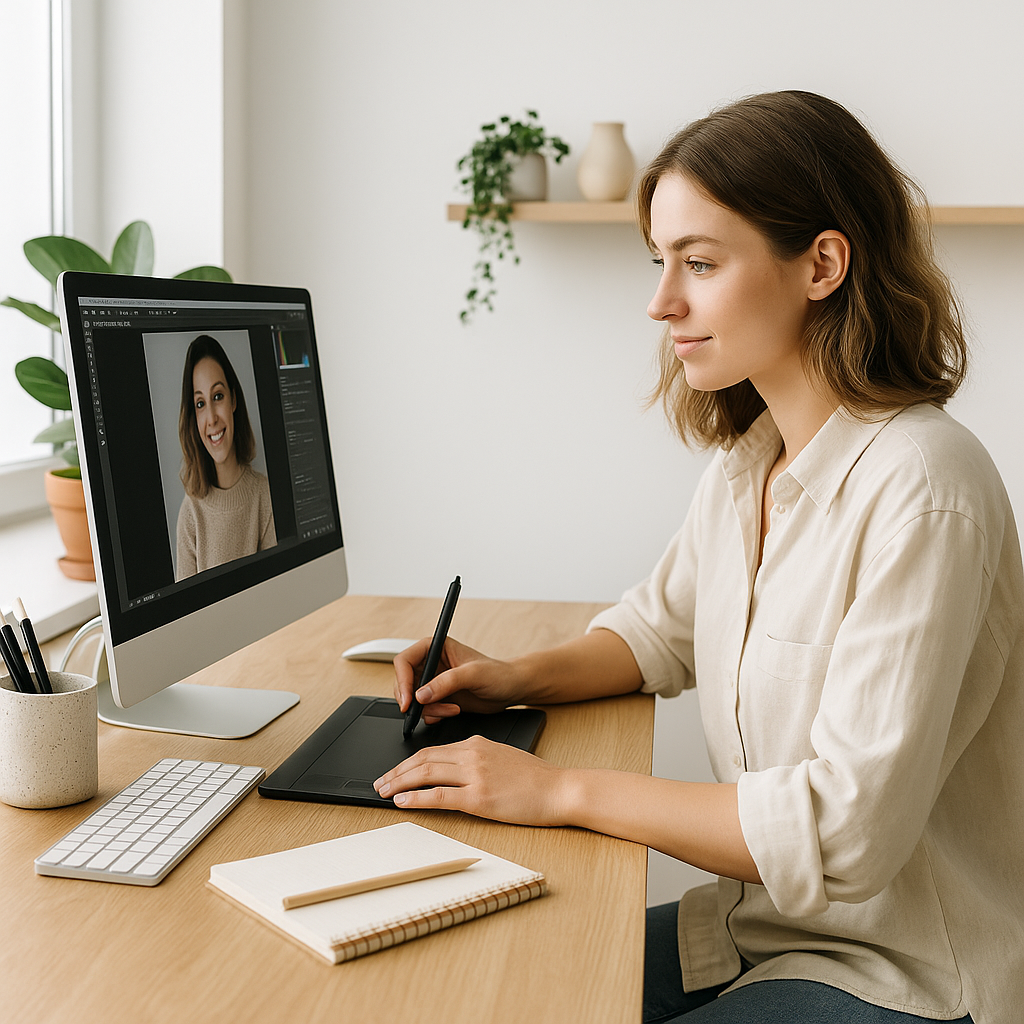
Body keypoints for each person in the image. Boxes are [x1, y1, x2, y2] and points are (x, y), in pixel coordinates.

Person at [373, 92, 1023, 1023]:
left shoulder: (924, 487)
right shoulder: (750, 462)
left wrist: (559, 790)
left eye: (701, 263)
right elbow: (659, 631)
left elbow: (843, 832)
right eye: (661, 261)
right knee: (491, 989)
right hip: (758, 929)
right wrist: (512, 679)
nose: (661, 301)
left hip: (901, 972)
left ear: (823, 265)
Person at [175, 334, 276, 580]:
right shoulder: (190, 514)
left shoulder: (265, 497)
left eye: (218, 396)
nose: (211, 419)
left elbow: (276, 593)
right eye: (200, 404)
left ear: (233, 400)